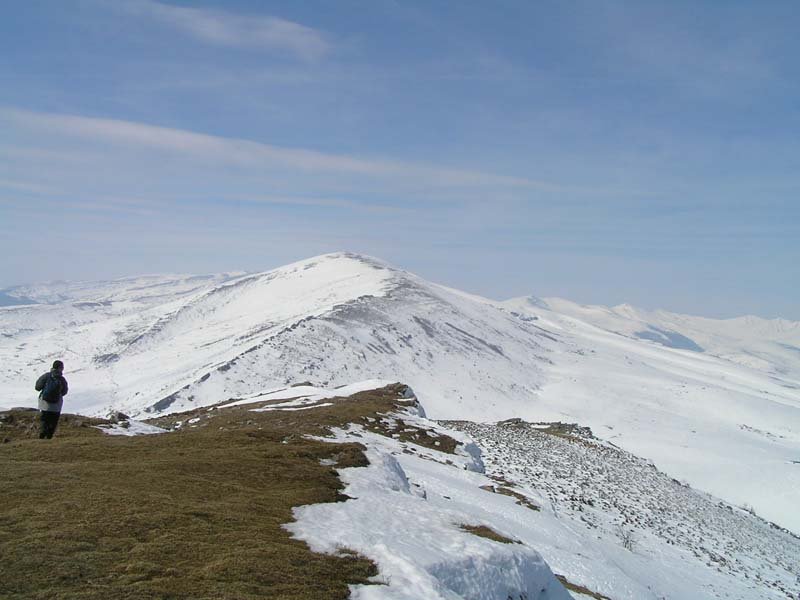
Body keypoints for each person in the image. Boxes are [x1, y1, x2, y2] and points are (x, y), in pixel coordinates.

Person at [34, 360, 69, 439]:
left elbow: (37, 387)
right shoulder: (62, 379)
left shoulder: (46, 376)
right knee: (53, 421)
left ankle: (42, 434)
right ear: (60, 368)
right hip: (56, 405)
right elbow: (64, 391)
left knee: (44, 420)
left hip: (44, 404)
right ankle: (49, 436)